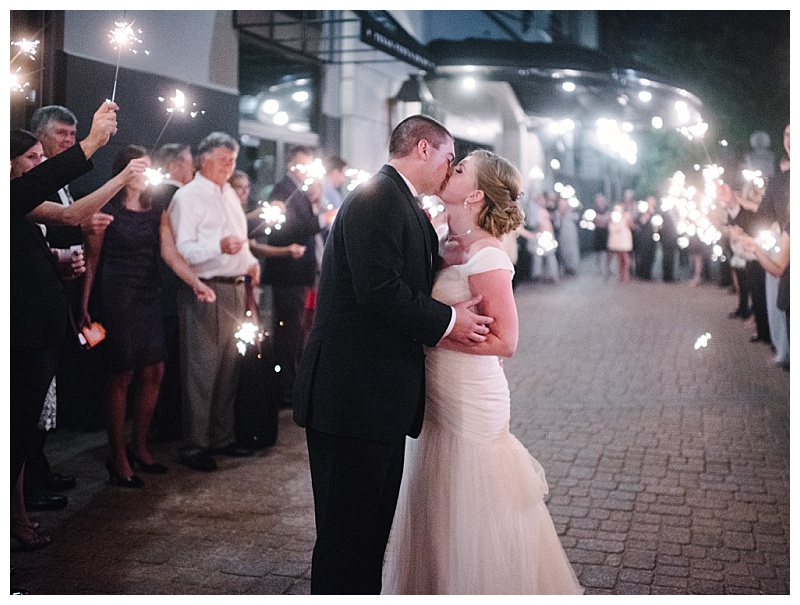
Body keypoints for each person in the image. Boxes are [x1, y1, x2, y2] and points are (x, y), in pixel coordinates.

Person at [293, 114, 495, 595]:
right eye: (448, 158)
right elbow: (379, 289)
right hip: (351, 400)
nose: (450, 169)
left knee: (367, 539)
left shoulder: (399, 201)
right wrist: (449, 321)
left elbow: (401, 280)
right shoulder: (378, 199)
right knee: (346, 541)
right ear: (423, 149)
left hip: (375, 401)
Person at [383, 150, 582, 594]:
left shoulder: (487, 254)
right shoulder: (442, 240)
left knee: (475, 503)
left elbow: (506, 342)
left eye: (458, 169)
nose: (448, 171)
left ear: (473, 193)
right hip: (437, 397)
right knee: (438, 498)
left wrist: (439, 330)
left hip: (470, 394)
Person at [10, 102, 119, 544]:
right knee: (13, 434)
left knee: (17, 438)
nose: (41, 164)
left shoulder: (23, 198)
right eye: (32, 156)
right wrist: (92, 141)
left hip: (38, 330)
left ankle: (15, 517)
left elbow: (71, 215)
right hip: (19, 332)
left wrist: (122, 178)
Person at [81, 145, 175, 487]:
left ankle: (140, 445)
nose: (144, 174)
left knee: (155, 370)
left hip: (149, 293)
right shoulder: (105, 207)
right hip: (117, 295)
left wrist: (195, 282)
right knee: (121, 374)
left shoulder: (156, 208)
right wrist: (85, 306)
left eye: (148, 168)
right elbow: (92, 260)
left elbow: (169, 251)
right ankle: (117, 455)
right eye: (138, 168)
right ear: (123, 171)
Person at [166, 132, 261, 472]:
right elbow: (182, 250)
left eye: (233, 161)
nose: (228, 166)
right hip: (204, 288)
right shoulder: (188, 197)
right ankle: (195, 443)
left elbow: (242, 239)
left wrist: (251, 263)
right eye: (223, 160)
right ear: (204, 159)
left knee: (229, 367)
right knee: (201, 369)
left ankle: (222, 436)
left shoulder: (229, 195)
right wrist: (218, 247)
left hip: (235, 287)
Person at [149, 143, 215, 443]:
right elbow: (177, 247)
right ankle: (169, 424)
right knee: (173, 363)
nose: (193, 168)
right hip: (172, 285)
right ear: (176, 165)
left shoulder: (156, 193)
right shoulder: (177, 196)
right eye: (190, 162)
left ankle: (161, 422)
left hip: (159, 286)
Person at [262, 146, 322, 406]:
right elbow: (285, 231)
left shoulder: (301, 190)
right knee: (287, 331)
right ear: (291, 165)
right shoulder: (283, 190)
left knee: (297, 331)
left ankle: (291, 382)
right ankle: (285, 387)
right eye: (301, 165)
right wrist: (321, 219)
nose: (305, 171)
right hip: (288, 272)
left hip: (298, 273)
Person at [607, 203, 633, 282]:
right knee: (619, 257)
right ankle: (620, 274)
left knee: (625, 256)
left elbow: (630, 225)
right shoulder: (614, 217)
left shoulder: (627, 216)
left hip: (625, 239)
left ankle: (626, 274)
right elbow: (611, 226)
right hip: (617, 240)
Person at [593, 193, 612, 277]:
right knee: (598, 251)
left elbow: (608, 220)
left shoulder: (607, 209)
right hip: (598, 232)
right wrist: (603, 219)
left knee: (608, 250)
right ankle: (599, 268)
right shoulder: (595, 210)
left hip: (606, 232)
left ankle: (608, 267)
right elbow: (596, 221)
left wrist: (601, 219)